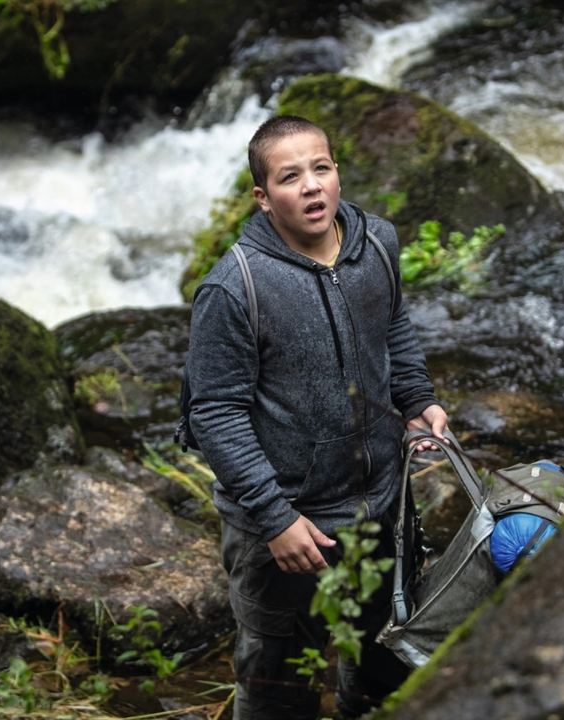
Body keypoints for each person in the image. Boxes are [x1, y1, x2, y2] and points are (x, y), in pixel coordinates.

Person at [186, 114, 448, 720]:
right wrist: (276, 519)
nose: (311, 186)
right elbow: (214, 415)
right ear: (262, 197)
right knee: (278, 690)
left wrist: (417, 401)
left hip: (380, 506)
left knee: (383, 665)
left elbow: (395, 329)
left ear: (337, 172)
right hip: (284, 531)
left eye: (321, 168)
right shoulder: (235, 287)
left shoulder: (376, 242)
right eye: (290, 176)